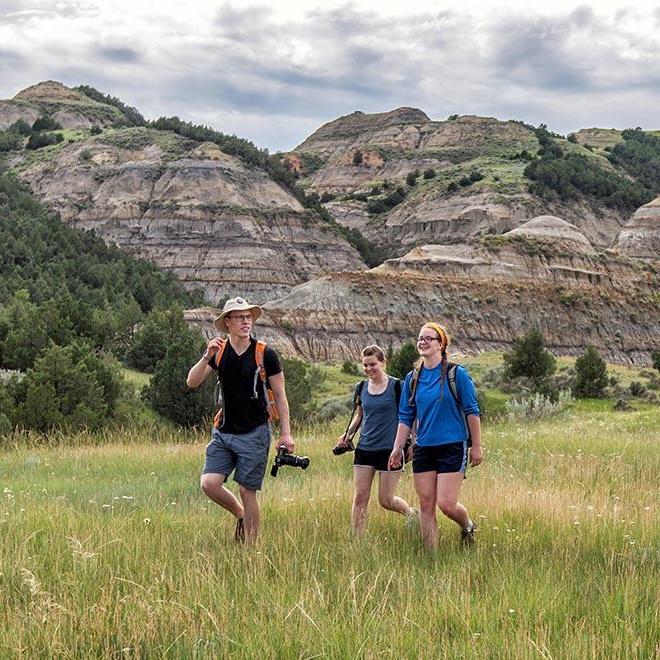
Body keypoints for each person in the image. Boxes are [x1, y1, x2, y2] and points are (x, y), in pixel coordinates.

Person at [186, 296, 295, 544]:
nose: (246, 321)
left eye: (249, 317)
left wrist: (286, 434)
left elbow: (280, 395)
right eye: (240, 317)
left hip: (255, 432)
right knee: (209, 483)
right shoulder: (219, 351)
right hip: (223, 431)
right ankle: (240, 515)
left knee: (247, 490)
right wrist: (206, 357)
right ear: (228, 322)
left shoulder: (265, 353)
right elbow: (191, 382)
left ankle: (250, 548)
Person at [388, 323, 483, 550]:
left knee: (447, 504)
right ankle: (432, 558)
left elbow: (472, 410)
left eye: (429, 338)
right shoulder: (412, 378)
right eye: (420, 338)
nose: (423, 342)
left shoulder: (456, 374)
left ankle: (467, 525)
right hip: (424, 448)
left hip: (452, 446)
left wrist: (477, 446)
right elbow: (405, 416)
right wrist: (397, 448)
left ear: (441, 344)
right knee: (426, 505)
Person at [335, 345, 416, 535]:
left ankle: (411, 513)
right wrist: (347, 434)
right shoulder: (361, 387)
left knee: (386, 500)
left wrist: (413, 441)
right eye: (365, 365)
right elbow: (360, 415)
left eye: (373, 364)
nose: (369, 369)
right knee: (360, 496)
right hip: (365, 448)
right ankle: (358, 540)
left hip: (391, 450)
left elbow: (409, 416)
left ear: (382, 362)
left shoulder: (398, 386)